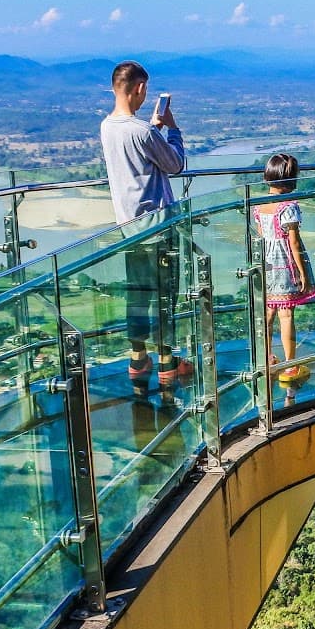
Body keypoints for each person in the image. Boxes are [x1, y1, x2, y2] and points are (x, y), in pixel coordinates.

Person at [100, 60, 191, 399]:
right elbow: (175, 164)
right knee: (165, 298)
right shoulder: (142, 132)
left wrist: (152, 129)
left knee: (137, 298)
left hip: (129, 228)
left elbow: (136, 156)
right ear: (139, 88)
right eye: (144, 90)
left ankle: (137, 361)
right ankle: (167, 367)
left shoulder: (107, 127)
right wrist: (171, 128)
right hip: (159, 227)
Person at [255, 154, 315, 390]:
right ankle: (291, 365)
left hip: (266, 264)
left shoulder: (259, 205)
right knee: (286, 314)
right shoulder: (289, 207)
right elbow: (294, 242)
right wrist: (302, 273)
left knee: (268, 312)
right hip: (285, 264)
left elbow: (261, 235)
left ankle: (266, 357)